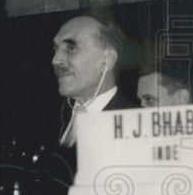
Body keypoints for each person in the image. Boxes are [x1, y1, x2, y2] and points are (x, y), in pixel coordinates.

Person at [52, 15, 138, 147]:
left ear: (107, 60)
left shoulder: (135, 125)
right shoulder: (45, 118)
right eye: (56, 49)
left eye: (71, 48)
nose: (55, 60)